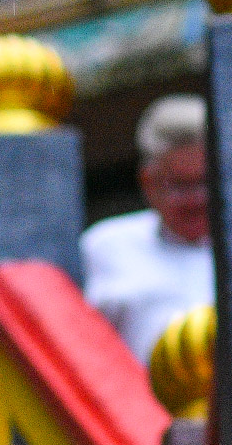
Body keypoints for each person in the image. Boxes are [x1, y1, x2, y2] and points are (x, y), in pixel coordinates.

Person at [81, 95, 215, 365]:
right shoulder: (105, 246)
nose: (195, 200)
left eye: (204, 183)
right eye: (179, 185)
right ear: (148, 183)